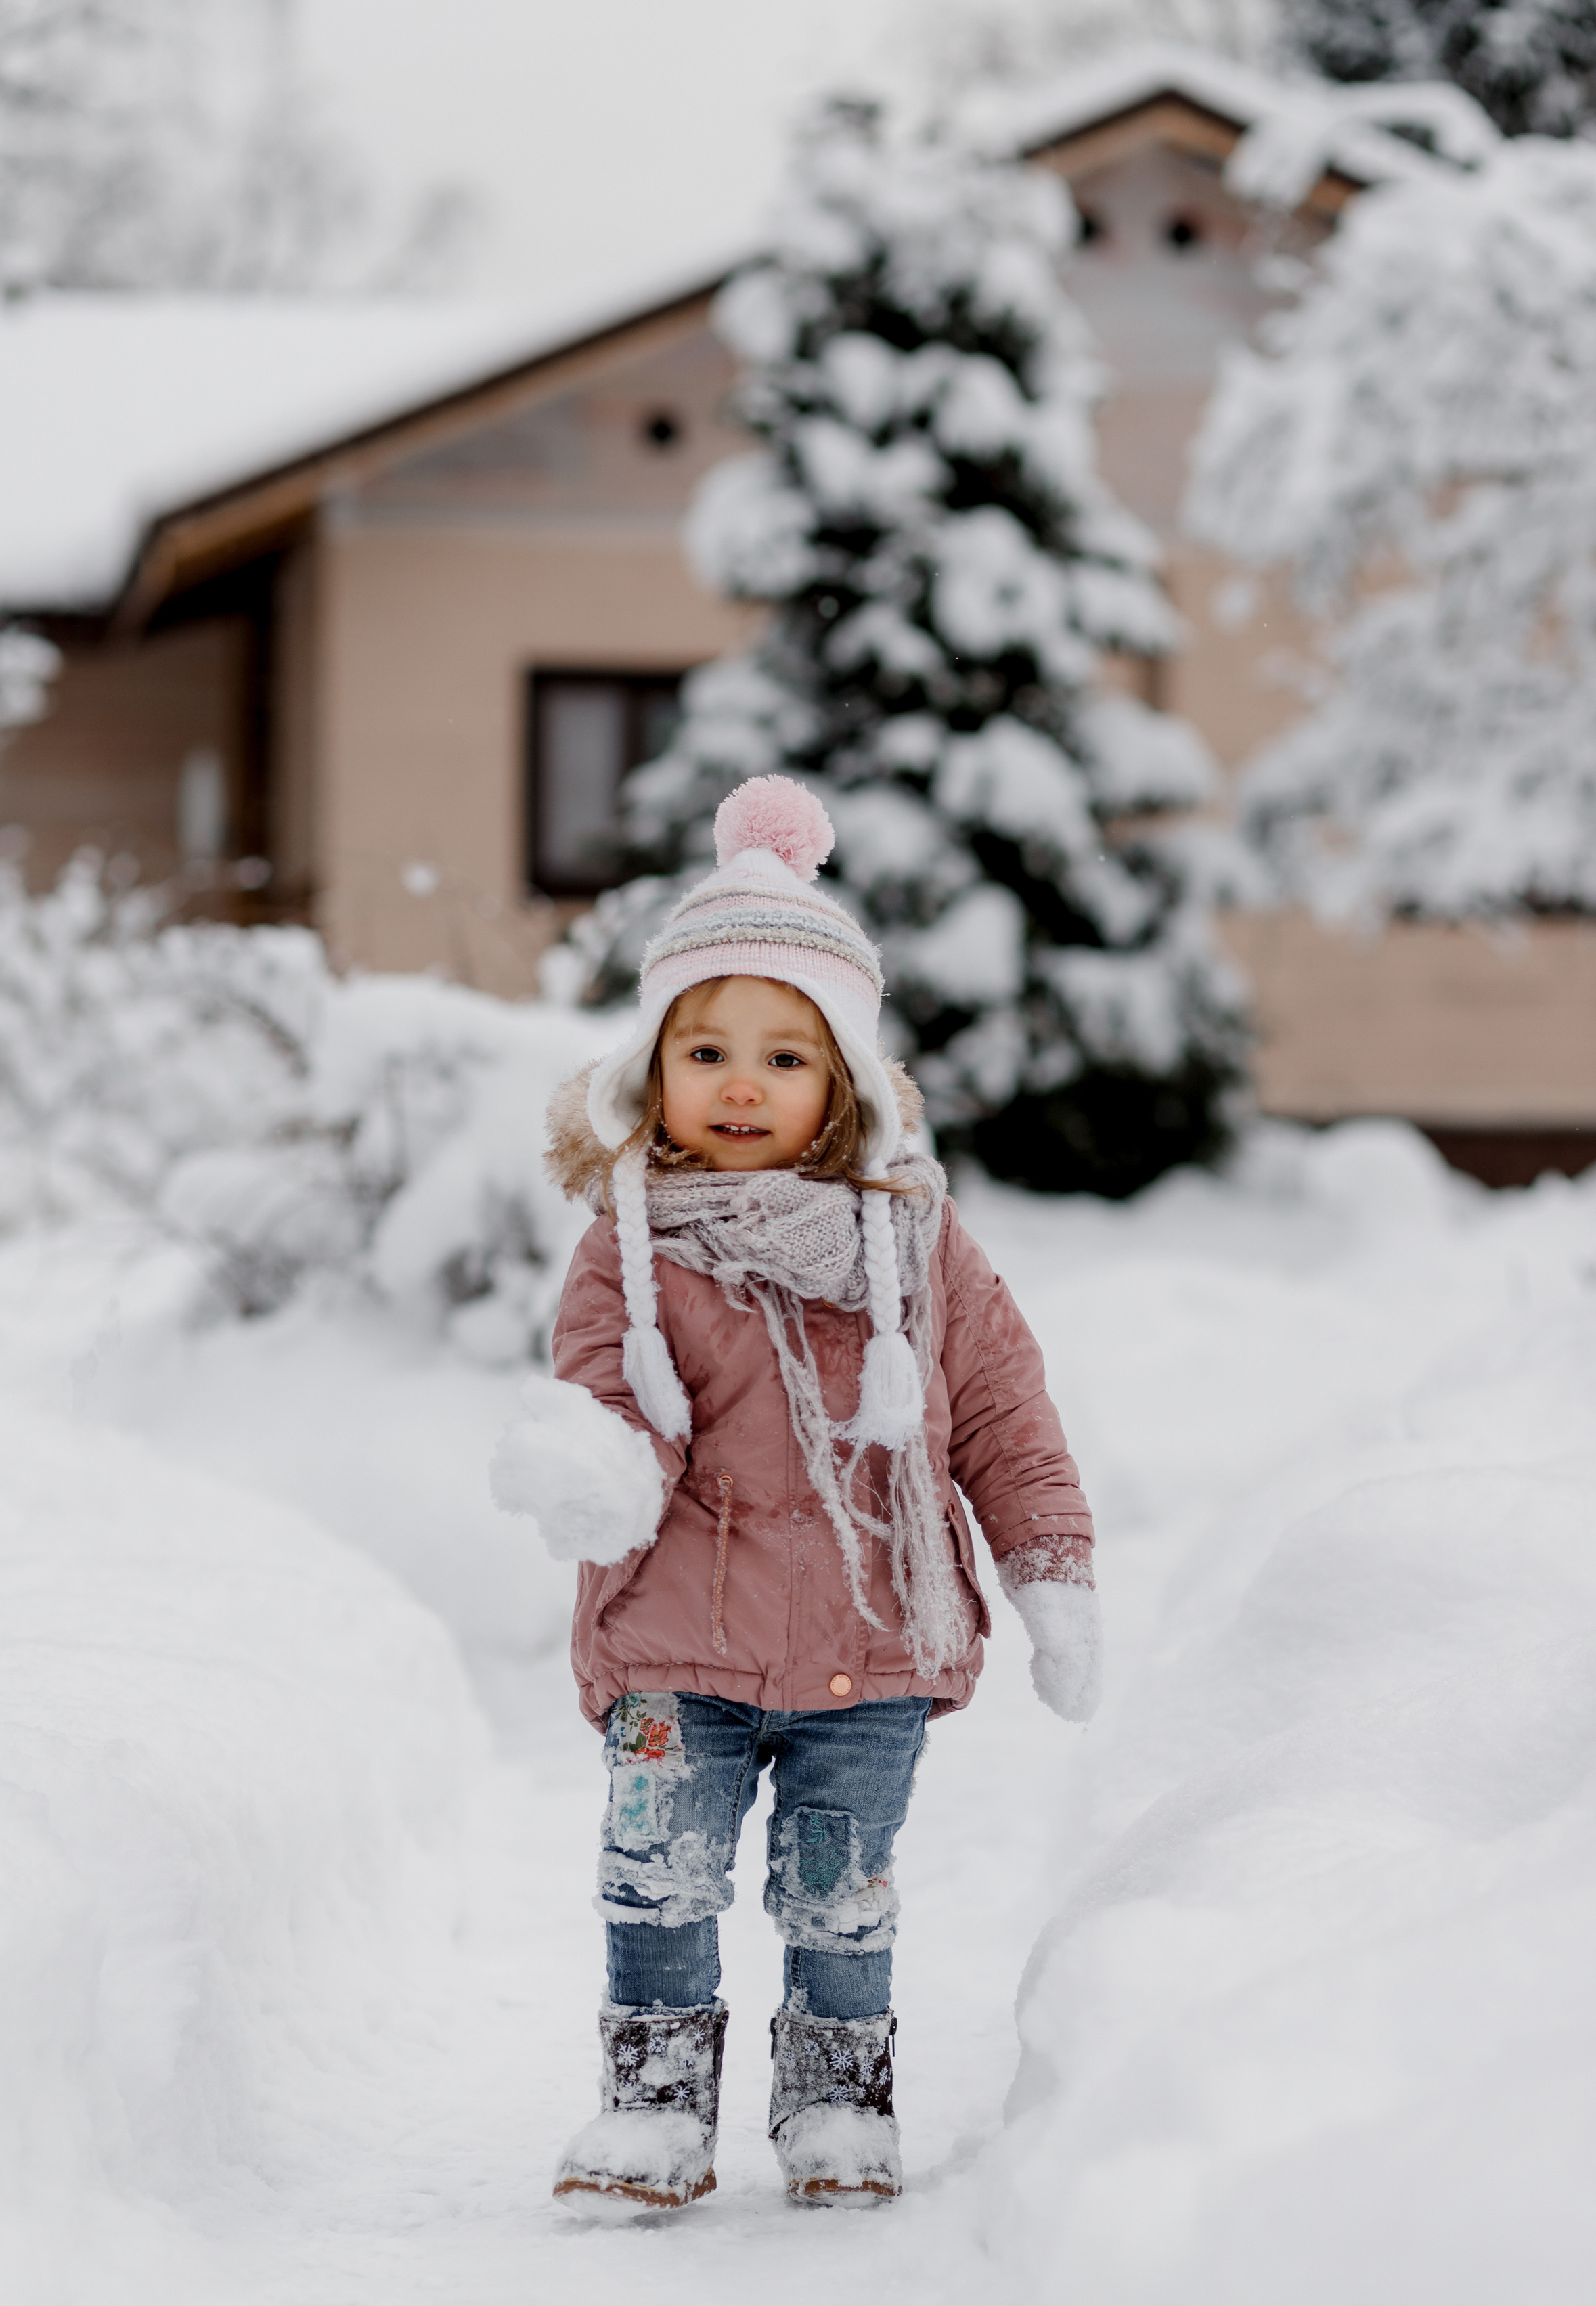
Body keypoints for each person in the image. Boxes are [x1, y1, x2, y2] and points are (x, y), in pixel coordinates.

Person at [491, 774, 1100, 2215]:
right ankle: (650, 2106)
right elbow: (610, 1402)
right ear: (653, 1071)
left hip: (864, 1645)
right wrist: (592, 1470)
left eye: (783, 1055)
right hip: (666, 1646)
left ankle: (835, 2102)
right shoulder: (626, 1249)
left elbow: (1003, 1412)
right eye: (705, 1051)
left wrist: (1049, 1569)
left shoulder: (915, 1249)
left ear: (847, 1084)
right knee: (654, 1877)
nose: (742, 1084)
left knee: (838, 1891)